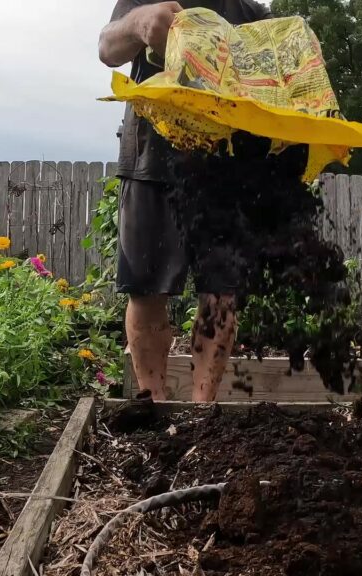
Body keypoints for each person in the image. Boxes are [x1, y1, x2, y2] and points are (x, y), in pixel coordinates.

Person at [98, 1, 271, 402]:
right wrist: (140, 23)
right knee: (145, 289)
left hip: (228, 171)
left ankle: (201, 410)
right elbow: (107, 48)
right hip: (152, 160)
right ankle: (152, 404)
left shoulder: (252, 15)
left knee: (221, 294)